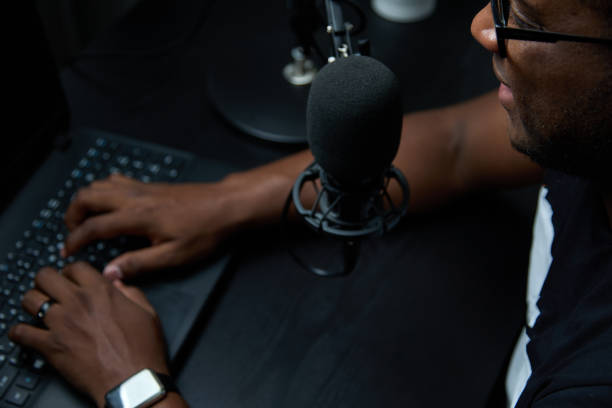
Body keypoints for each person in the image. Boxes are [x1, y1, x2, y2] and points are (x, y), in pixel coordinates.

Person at [8, 0, 612, 406]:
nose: (482, 25)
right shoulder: (584, 125)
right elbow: (459, 144)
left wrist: (132, 385)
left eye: (524, 16)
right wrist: (225, 200)